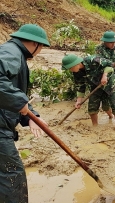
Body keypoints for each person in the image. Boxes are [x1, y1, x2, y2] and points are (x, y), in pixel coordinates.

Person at [0, 24, 50, 203]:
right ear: (35, 44)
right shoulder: (12, 53)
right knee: (12, 176)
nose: (41, 51)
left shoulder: (13, 53)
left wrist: (31, 117)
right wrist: (21, 103)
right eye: (42, 46)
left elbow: (9, 92)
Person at [62, 54, 115, 130]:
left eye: (70, 68)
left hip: (109, 83)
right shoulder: (76, 72)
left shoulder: (93, 60)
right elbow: (80, 85)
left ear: (76, 64)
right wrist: (79, 100)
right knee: (92, 105)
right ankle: (95, 126)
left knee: (114, 103)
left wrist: (104, 75)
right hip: (95, 85)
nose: (70, 70)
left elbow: (111, 65)